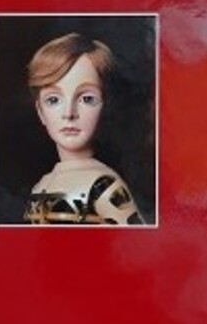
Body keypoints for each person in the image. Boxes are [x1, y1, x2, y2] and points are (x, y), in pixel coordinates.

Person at [23, 32, 144, 225]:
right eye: (53, 100)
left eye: (87, 99)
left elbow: (137, 240)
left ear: (105, 106)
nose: (69, 113)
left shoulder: (103, 186)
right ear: (40, 111)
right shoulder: (41, 185)